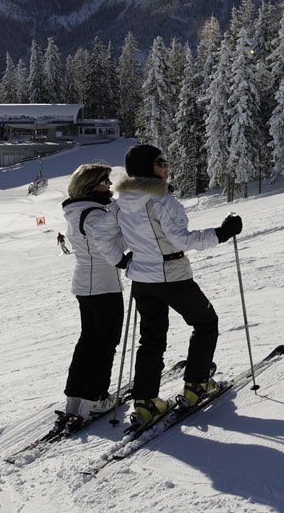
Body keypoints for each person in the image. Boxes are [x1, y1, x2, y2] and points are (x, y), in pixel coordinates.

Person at [114, 144, 242, 428]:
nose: (166, 167)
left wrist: (123, 260)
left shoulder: (122, 201)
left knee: (151, 339)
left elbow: (117, 238)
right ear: (148, 168)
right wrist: (221, 233)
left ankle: (146, 403)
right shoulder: (160, 199)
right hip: (171, 275)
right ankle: (196, 385)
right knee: (206, 323)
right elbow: (182, 240)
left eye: (166, 161)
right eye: (161, 162)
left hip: (142, 280)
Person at [49, 163, 131, 436]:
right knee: (105, 343)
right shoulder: (94, 213)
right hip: (103, 286)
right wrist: (122, 259)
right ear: (90, 185)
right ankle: (95, 397)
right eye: (104, 182)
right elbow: (105, 240)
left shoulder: (77, 210)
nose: (109, 186)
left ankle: (76, 396)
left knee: (89, 341)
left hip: (86, 284)